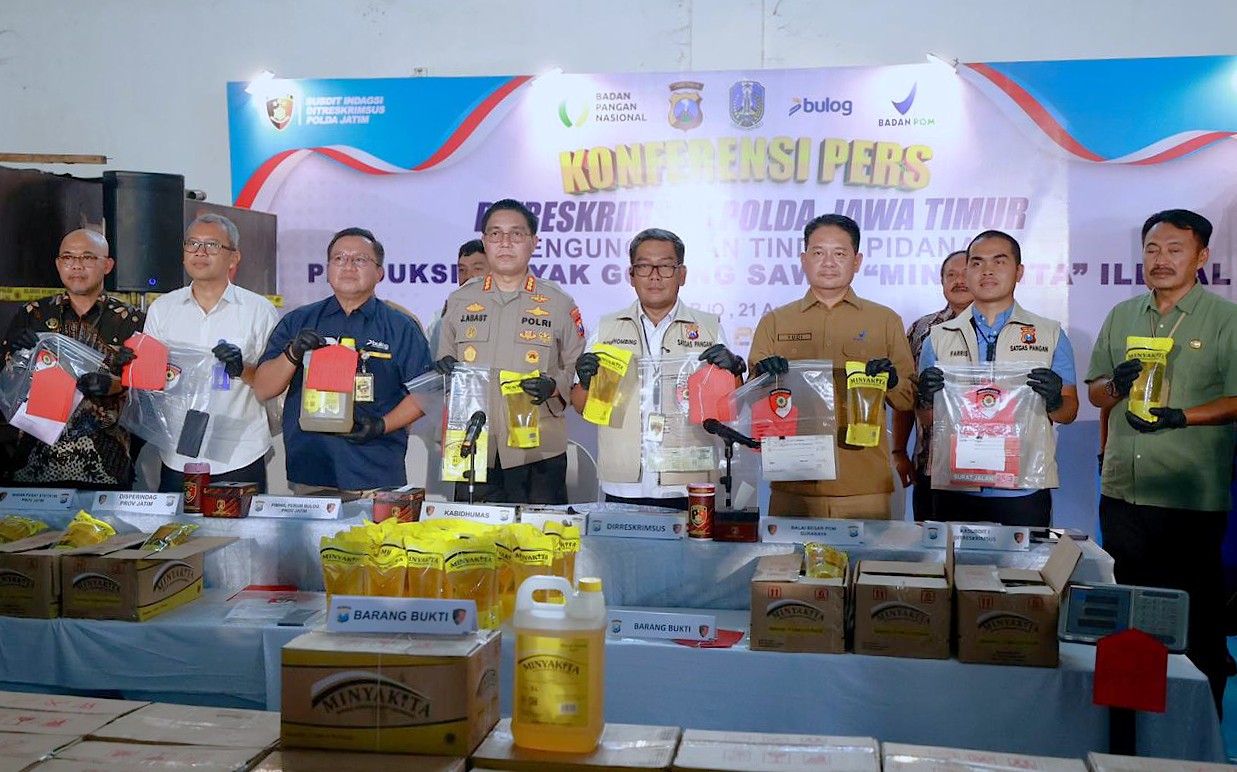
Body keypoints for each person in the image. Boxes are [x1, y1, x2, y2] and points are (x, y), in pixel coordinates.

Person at [1086, 209, 1237, 712]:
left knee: (1197, 624)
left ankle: (1200, 732)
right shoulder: (1123, 314)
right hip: (1124, 492)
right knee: (1129, 620)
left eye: (1175, 249)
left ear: (1202, 256)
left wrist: (1182, 417)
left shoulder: (1226, 319)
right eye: (1152, 249)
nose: (1161, 259)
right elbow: (1096, 394)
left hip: (1188, 497)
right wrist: (1115, 385)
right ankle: (1128, 728)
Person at [747, 213, 916, 518]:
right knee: (788, 552)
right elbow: (750, 399)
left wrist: (891, 382)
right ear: (803, 259)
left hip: (864, 484)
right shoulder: (775, 322)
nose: (828, 263)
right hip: (793, 481)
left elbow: (908, 398)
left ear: (857, 261)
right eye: (818, 253)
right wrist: (762, 379)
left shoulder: (885, 321)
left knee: (867, 552)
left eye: (839, 254)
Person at [569, 228, 745, 510]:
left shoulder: (709, 329)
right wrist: (587, 383)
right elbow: (581, 406)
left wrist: (734, 373)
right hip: (624, 482)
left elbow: (731, 408)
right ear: (631, 275)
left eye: (665, 266)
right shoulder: (606, 329)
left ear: (681, 274)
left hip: (689, 480)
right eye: (644, 266)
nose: (654, 276)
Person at [253, 227, 432, 495]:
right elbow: (263, 388)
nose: (348, 266)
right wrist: (292, 353)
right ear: (327, 270)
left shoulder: (401, 327)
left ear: (379, 273)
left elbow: (425, 394)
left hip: (376, 471)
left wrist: (381, 425)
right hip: (312, 471)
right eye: (339, 258)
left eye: (359, 259)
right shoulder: (298, 321)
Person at [916, 231, 1077, 526]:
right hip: (956, 485)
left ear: (1019, 271)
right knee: (953, 558)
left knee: (1025, 558)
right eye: (977, 263)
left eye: (999, 261)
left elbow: (1068, 412)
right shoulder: (938, 338)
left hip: (1023, 487)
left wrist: (1055, 400)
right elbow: (927, 419)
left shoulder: (1049, 334)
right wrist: (925, 399)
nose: (987, 271)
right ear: (967, 272)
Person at [435, 199, 586, 504]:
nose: (505, 243)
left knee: (540, 534)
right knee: (471, 533)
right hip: (473, 446)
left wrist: (553, 386)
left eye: (516, 234)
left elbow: (577, 369)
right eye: (495, 234)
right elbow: (443, 366)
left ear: (534, 242)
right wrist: (444, 368)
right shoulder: (459, 300)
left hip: (538, 451)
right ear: (484, 241)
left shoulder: (559, 303)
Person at [143, 214, 279, 492]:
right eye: (192, 244)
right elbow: (149, 381)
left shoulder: (258, 310)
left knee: (243, 522)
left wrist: (242, 369)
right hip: (177, 451)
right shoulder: (162, 309)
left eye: (212, 245)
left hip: (240, 450)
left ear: (234, 257)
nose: (200, 252)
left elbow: (274, 382)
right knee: (178, 521)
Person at [0, 229, 143, 488]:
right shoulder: (33, 314)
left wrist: (117, 385)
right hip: (34, 461)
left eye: (87, 257)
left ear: (107, 265)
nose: (76, 265)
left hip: (106, 463)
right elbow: (6, 386)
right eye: (68, 257)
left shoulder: (132, 321)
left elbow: (150, 394)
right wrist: (20, 358)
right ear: (58, 264)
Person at [892, 250, 972, 520]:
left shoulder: (1003, 328)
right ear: (942, 281)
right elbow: (906, 396)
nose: (959, 281)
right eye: (951, 275)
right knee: (931, 544)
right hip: (931, 463)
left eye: (965, 274)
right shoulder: (921, 329)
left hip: (993, 464)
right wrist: (899, 451)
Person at [427, 239, 488, 355]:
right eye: (462, 270)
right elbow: (429, 356)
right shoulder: (441, 316)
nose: (468, 276)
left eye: (477, 269)